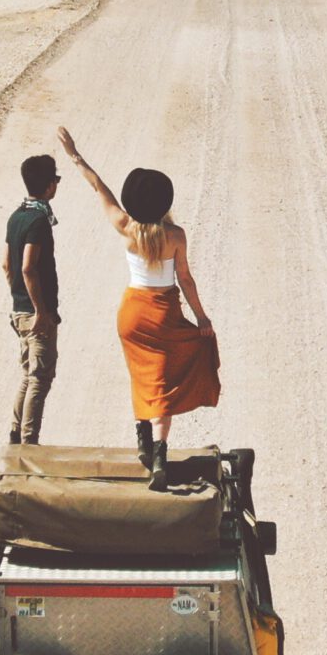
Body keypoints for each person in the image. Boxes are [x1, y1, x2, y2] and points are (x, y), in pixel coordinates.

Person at [56, 127, 218, 491]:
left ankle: (143, 440)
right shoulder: (175, 236)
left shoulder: (126, 227)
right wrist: (201, 319)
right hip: (163, 313)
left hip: (132, 314)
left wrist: (75, 155)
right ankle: (159, 453)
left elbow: (100, 189)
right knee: (162, 384)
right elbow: (186, 280)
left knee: (141, 378)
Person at [3, 152, 60, 445]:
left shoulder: (16, 216)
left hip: (19, 311)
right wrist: (39, 309)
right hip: (36, 314)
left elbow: (6, 265)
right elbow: (27, 266)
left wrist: (20, 297)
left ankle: (16, 434)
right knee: (40, 378)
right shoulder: (38, 221)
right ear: (49, 185)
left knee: (29, 375)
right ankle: (28, 444)